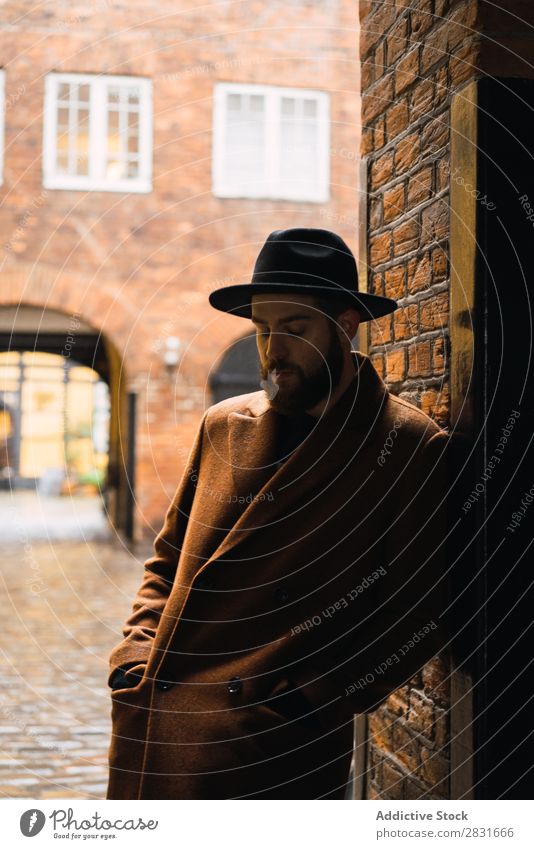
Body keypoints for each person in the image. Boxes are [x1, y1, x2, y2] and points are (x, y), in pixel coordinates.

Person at [107, 227, 450, 799]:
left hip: (272, 749)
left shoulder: (406, 444)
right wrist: (134, 656)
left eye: (294, 329)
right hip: (156, 719)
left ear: (344, 326)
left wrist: (312, 700)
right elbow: (167, 559)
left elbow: (419, 610)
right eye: (262, 329)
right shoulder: (222, 425)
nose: (273, 349)